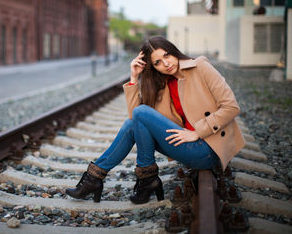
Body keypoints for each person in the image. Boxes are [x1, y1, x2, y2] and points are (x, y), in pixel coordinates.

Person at [66, 36, 245, 204]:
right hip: (186, 147)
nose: (166, 64)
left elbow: (231, 106)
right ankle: (94, 178)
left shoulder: (200, 66)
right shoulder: (161, 86)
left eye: (167, 55)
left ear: (173, 50)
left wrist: (198, 132)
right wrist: (134, 78)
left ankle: (146, 179)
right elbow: (135, 119)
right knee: (132, 124)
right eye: (157, 62)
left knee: (141, 113)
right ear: (153, 67)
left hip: (207, 149)